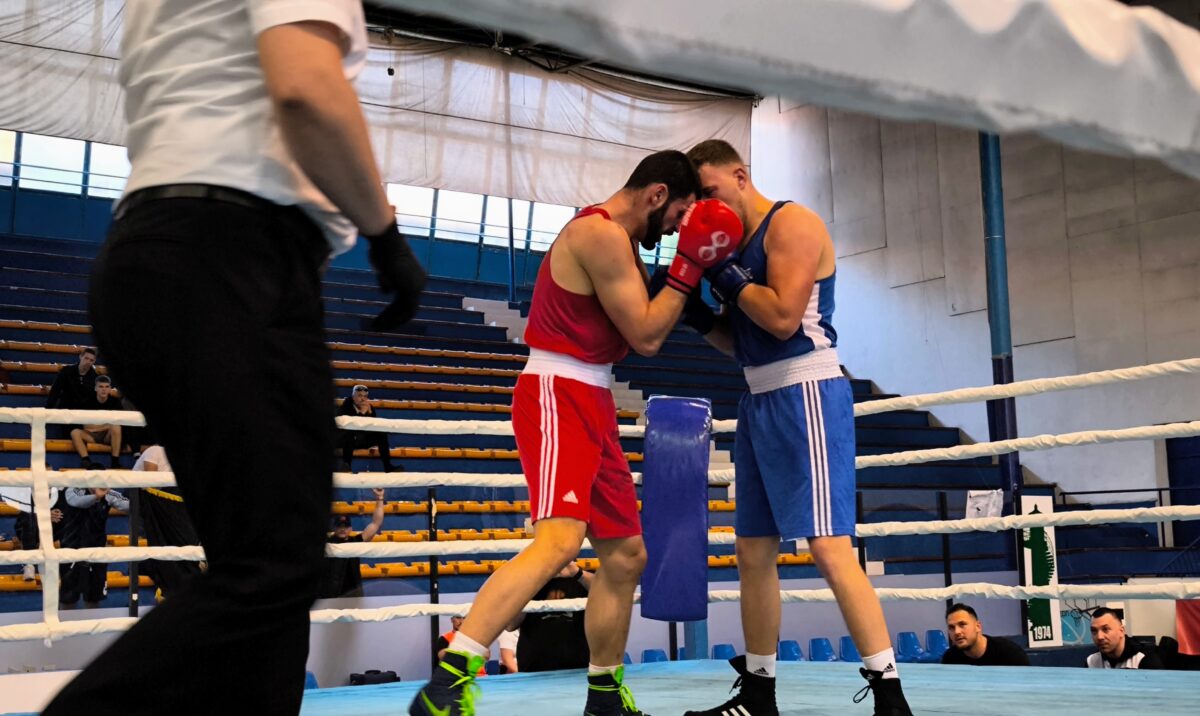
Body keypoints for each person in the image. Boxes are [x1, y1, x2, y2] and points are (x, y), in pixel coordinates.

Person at [42, 1, 426, 713]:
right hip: (230, 256)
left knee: (265, 578)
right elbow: (305, 86)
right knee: (277, 562)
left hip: (161, 251)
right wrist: (384, 232)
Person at [409, 151, 741, 716]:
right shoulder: (599, 233)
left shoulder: (624, 244)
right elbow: (646, 337)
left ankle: (604, 694)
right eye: (679, 214)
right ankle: (447, 680)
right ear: (657, 194)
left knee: (626, 555)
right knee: (559, 542)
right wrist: (687, 269)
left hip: (593, 397)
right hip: (557, 390)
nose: (677, 229)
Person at [681, 139, 913, 716]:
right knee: (752, 549)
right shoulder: (733, 248)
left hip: (806, 389)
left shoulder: (792, 224)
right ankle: (759, 693)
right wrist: (700, 317)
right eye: (697, 201)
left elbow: (784, 319)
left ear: (740, 176)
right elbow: (742, 341)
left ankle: (890, 695)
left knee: (829, 546)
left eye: (710, 192)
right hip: (758, 396)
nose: (706, 207)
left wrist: (729, 278)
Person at [133, 446, 203, 600]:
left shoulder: (184, 457)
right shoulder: (155, 451)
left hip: (165, 505)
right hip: (141, 497)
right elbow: (149, 483)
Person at [513, 562, 594, 673]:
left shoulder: (585, 576)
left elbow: (608, 594)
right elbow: (511, 625)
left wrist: (578, 573)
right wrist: (532, 582)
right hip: (534, 668)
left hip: (580, 667)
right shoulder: (526, 580)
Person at [59, 487, 130, 609]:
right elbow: (76, 501)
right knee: (68, 597)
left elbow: (130, 506)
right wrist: (97, 496)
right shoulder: (74, 489)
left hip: (97, 550)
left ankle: (93, 621)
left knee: (94, 597)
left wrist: (142, 492)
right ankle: (63, 621)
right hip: (72, 549)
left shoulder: (109, 494)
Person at [320, 488, 386, 598]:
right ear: (334, 528)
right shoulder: (327, 543)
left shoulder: (355, 541)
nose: (342, 529)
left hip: (354, 595)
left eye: (345, 526)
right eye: (339, 526)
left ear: (350, 528)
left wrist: (379, 498)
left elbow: (376, 523)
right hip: (330, 595)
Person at [941, 603, 1029, 666]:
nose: (957, 632)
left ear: (978, 626)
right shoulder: (950, 659)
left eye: (962, 624)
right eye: (951, 627)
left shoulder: (1010, 653)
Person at [69, 375, 124, 469]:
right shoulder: (87, 402)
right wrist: (107, 425)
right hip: (92, 436)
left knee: (116, 426)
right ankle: (86, 460)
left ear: (110, 389)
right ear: (95, 388)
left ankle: (115, 461)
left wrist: (97, 426)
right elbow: (87, 427)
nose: (104, 389)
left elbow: (119, 424)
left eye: (107, 387)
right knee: (74, 432)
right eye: (101, 386)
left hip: (108, 436)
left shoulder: (115, 402)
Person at [337, 384, 396, 473]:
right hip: (346, 440)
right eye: (360, 396)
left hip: (361, 439)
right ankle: (346, 465)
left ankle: (388, 466)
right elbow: (348, 426)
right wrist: (362, 413)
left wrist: (369, 414)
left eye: (365, 396)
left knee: (381, 434)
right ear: (353, 397)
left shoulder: (369, 407)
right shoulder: (346, 406)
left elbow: (374, 427)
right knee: (349, 433)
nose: (363, 399)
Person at [1086, 607, 1163, 669]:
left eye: (1106, 629)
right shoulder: (1091, 661)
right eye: (1094, 631)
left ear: (1121, 631)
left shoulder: (1144, 660)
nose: (1099, 637)